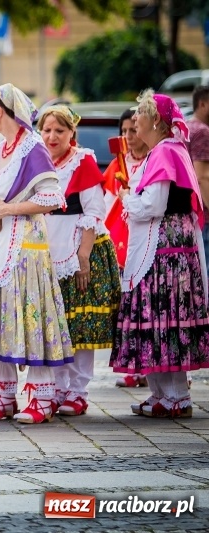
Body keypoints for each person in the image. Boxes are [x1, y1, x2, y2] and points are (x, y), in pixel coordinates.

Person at [0, 84, 74, 424]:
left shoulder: (32, 147)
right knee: (2, 317)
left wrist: (9, 208)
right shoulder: (0, 151)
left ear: (0, 111)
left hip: (25, 247)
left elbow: (52, 197)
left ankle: (41, 396)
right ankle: (4, 393)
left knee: (28, 315)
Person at [111, 89, 209, 418]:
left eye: (140, 113)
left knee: (162, 315)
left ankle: (176, 396)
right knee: (157, 316)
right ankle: (162, 394)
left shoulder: (165, 152)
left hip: (165, 248)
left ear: (156, 120)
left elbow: (152, 205)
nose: (134, 118)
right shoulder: (166, 151)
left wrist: (127, 198)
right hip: (165, 245)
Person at [38, 105, 121, 416]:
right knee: (56, 325)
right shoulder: (37, 160)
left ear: (71, 132)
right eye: (47, 130)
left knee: (79, 325)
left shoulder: (82, 160)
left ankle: (78, 390)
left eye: (59, 130)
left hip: (77, 249)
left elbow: (94, 211)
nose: (52, 136)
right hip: (47, 250)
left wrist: (83, 257)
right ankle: (58, 387)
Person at [103, 107, 151, 389]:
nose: (129, 136)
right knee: (127, 308)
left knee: (148, 305)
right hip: (120, 242)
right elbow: (106, 206)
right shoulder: (116, 167)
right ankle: (133, 365)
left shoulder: (154, 163)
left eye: (133, 129)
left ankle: (152, 364)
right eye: (123, 131)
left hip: (145, 239)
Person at [187, 85, 209, 280]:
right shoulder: (203, 131)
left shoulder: (188, 127)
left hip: (190, 212)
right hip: (204, 214)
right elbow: (201, 176)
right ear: (202, 104)